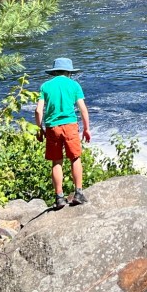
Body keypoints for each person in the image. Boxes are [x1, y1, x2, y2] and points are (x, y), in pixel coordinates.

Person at [35, 57, 91, 209]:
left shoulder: (45, 86)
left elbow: (38, 111)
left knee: (56, 162)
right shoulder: (74, 85)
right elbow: (83, 109)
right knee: (75, 158)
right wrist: (86, 129)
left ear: (54, 72)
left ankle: (59, 197)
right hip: (70, 126)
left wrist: (40, 129)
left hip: (52, 127)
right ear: (69, 72)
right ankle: (78, 193)